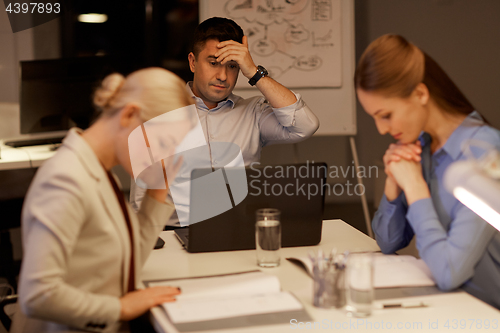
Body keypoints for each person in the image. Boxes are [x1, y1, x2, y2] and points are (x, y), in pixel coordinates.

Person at [11, 68, 196, 332]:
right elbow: (37, 295)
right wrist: (121, 309)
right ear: (130, 114)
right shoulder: (66, 179)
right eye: (164, 142)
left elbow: (129, 262)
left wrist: (157, 191)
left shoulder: (101, 171)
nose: (165, 156)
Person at [355, 34, 500, 309]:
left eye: (385, 115)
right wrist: (393, 185)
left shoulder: (484, 151)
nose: (381, 130)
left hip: (487, 314)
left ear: (420, 94)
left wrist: (415, 188)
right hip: (451, 307)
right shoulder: (422, 146)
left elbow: (448, 273)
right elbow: (387, 243)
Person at [131, 17, 319, 219]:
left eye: (232, 66)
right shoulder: (158, 114)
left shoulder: (252, 112)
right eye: (213, 63)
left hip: (240, 230)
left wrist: (254, 73)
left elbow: (304, 126)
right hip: (177, 233)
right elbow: (140, 204)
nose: (222, 75)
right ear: (193, 62)